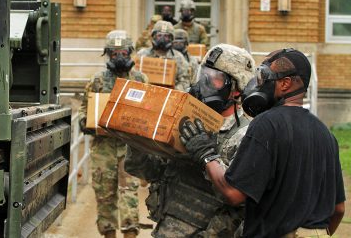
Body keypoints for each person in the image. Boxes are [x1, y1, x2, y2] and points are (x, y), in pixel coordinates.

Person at [181, 48, 346, 237]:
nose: (258, 83)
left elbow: (233, 194)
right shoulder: (326, 134)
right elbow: (338, 209)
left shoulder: (266, 125)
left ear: (285, 83)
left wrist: (205, 152)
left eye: (264, 76)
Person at [125, 44, 256, 237]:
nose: (205, 82)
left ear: (236, 89)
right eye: (203, 74)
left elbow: (240, 204)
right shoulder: (187, 121)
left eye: (215, 78)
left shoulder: (245, 136)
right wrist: (136, 140)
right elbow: (148, 171)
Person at [78, 30, 148, 238]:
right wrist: (86, 122)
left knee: (129, 195)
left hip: (130, 148)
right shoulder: (97, 81)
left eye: (124, 52)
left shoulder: (140, 79)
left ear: (131, 53)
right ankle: (108, 233)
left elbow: (149, 111)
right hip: (103, 149)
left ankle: (130, 233)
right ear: (107, 54)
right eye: (114, 53)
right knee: (104, 194)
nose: (119, 57)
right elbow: (85, 109)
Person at [137, 20, 190, 91]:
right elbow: (134, 77)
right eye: (159, 35)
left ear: (171, 39)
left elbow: (185, 81)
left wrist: (173, 90)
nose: (162, 39)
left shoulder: (178, 57)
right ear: (153, 37)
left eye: (166, 36)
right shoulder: (142, 54)